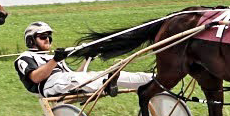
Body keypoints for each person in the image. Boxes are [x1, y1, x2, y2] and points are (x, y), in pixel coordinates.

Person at [14, 21, 156, 98]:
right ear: (31, 41)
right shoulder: (25, 58)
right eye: (43, 36)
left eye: (49, 36)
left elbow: (78, 74)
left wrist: (88, 57)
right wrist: (55, 60)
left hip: (68, 80)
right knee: (74, 79)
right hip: (48, 86)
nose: (48, 40)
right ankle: (107, 83)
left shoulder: (52, 57)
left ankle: (152, 79)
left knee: (98, 75)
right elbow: (35, 78)